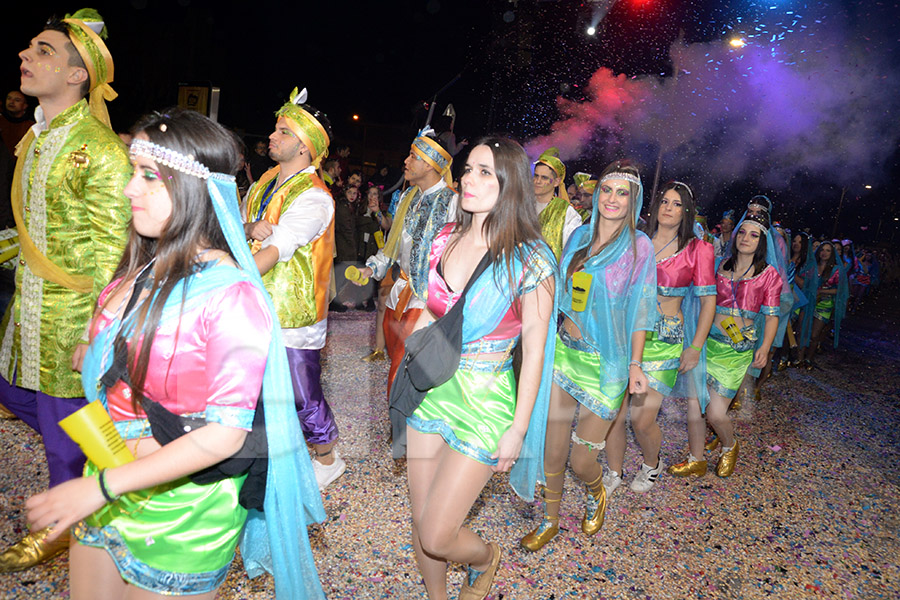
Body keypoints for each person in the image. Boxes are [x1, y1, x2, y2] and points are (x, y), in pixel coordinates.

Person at [24, 107, 326, 599]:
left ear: (192, 187)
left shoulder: (230, 297)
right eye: (131, 172)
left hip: (182, 514)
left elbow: (225, 436)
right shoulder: (142, 269)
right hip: (108, 477)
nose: (128, 190)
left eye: (148, 176)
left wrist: (98, 488)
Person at [0, 9, 132, 572]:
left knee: (63, 428)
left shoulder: (98, 147)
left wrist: (97, 330)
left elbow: (115, 248)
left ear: (79, 76)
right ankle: (116, 473)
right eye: (29, 46)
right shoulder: (38, 135)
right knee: (17, 398)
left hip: (73, 317)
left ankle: (69, 525)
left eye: (44, 50)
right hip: (27, 310)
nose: (26, 56)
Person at [405, 137, 555, 599]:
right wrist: (417, 319)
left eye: (485, 172)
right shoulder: (444, 238)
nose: (469, 179)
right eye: (468, 169)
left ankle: (487, 558)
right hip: (430, 388)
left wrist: (519, 428)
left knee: (438, 533)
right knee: (421, 518)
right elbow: (435, 309)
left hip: (486, 400)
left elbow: (535, 351)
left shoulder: (533, 260)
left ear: (509, 183)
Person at [520, 160, 657, 552]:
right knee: (553, 446)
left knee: (582, 460)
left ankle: (597, 492)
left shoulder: (639, 247)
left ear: (634, 201)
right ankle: (549, 519)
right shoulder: (579, 236)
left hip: (608, 364)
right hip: (565, 354)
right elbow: (559, 290)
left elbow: (642, 307)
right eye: (607, 190)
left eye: (623, 193)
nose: (613, 199)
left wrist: (635, 363)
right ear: (597, 195)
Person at [242, 87, 345, 490]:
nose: (273, 136)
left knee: (302, 390)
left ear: (305, 147)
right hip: (253, 301)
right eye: (275, 128)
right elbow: (242, 221)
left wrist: (227, 278)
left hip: (292, 310)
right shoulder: (266, 178)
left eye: (283, 131)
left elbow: (279, 247)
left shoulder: (317, 198)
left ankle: (327, 456)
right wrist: (248, 227)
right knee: (252, 386)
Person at [606, 181, 716, 489]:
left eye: (677, 203)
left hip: (664, 343)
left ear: (686, 211)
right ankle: (614, 471)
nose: (669, 208)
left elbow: (709, 302)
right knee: (613, 412)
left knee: (641, 419)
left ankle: (652, 464)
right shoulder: (635, 240)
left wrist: (695, 347)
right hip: (624, 336)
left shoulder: (698, 249)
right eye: (665, 201)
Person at [356, 128, 456, 398]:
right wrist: (373, 267)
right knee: (396, 359)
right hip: (398, 292)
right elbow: (395, 244)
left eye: (413, 156)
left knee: (403, 364)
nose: (406, 162)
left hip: (426, 299)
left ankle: (402, 430)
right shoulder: (407, 198)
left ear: (429, 163)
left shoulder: (452, 202)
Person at [700, 213, 782, 477]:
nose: (746, 238)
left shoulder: (769, 275)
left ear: (762, 242)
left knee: (715, 411)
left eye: (754, 235)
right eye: (743, 233)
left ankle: (729, 445)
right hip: (708, 343)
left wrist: (765, 348)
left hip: (735, 351)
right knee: (702, 403)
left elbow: (771, 316)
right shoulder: (721, 265)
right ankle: (716, 436)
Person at [797, 240, 848, 367]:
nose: (824, 253)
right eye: (822, 250)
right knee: (803, 331)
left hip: (824, 305)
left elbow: (840, 290)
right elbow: (801, 279)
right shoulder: (811, 266)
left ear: (832, 253)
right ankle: (799, 358)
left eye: (828, 250)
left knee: (814, 335)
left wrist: (821, 291)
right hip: (808, 302)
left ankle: (809, 358)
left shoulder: (836, 270)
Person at [532, 147, 582, 260]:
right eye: (536, 176)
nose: (538, 181)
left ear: (556, 182)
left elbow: (572, 254)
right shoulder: (521, 206)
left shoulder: (567, 213)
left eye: (544, 178)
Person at [0, 90, 35, 157]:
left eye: (17, 100)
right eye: (9, 98)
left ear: (25, 105)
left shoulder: (32, 126)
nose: (11, 102)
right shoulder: (1, 120)